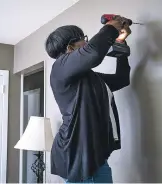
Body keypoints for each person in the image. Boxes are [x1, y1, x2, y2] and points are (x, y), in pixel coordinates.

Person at [45, 16, 131, 183]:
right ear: (70, 48)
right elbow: (94, 53)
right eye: (83, 40)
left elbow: (122, 79)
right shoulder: (59, 68)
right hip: (78, 156)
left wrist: (120, 42)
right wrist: (112, 27)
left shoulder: (90, 78)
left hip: (94, 157)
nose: (87, 43)